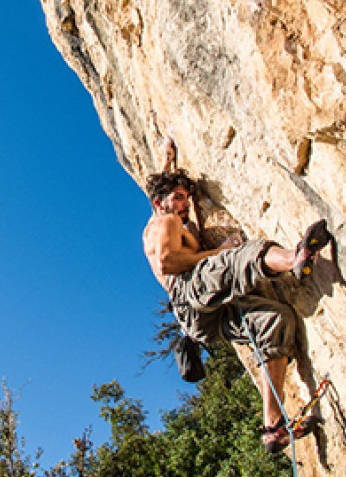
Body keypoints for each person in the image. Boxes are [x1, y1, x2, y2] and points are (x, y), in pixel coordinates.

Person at [142, 169, 331, 452]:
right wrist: (218, 252)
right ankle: (295, 258)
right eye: (178, 198)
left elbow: (161, 192)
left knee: (275, 321)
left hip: (199, 320)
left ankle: (273, 426)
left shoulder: (162, 222)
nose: (185, 204)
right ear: (159, 203)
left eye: (186, 198)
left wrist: (168, 156)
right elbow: (167, 262)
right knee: (240, 255)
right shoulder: (166, 220)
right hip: (188, 289)